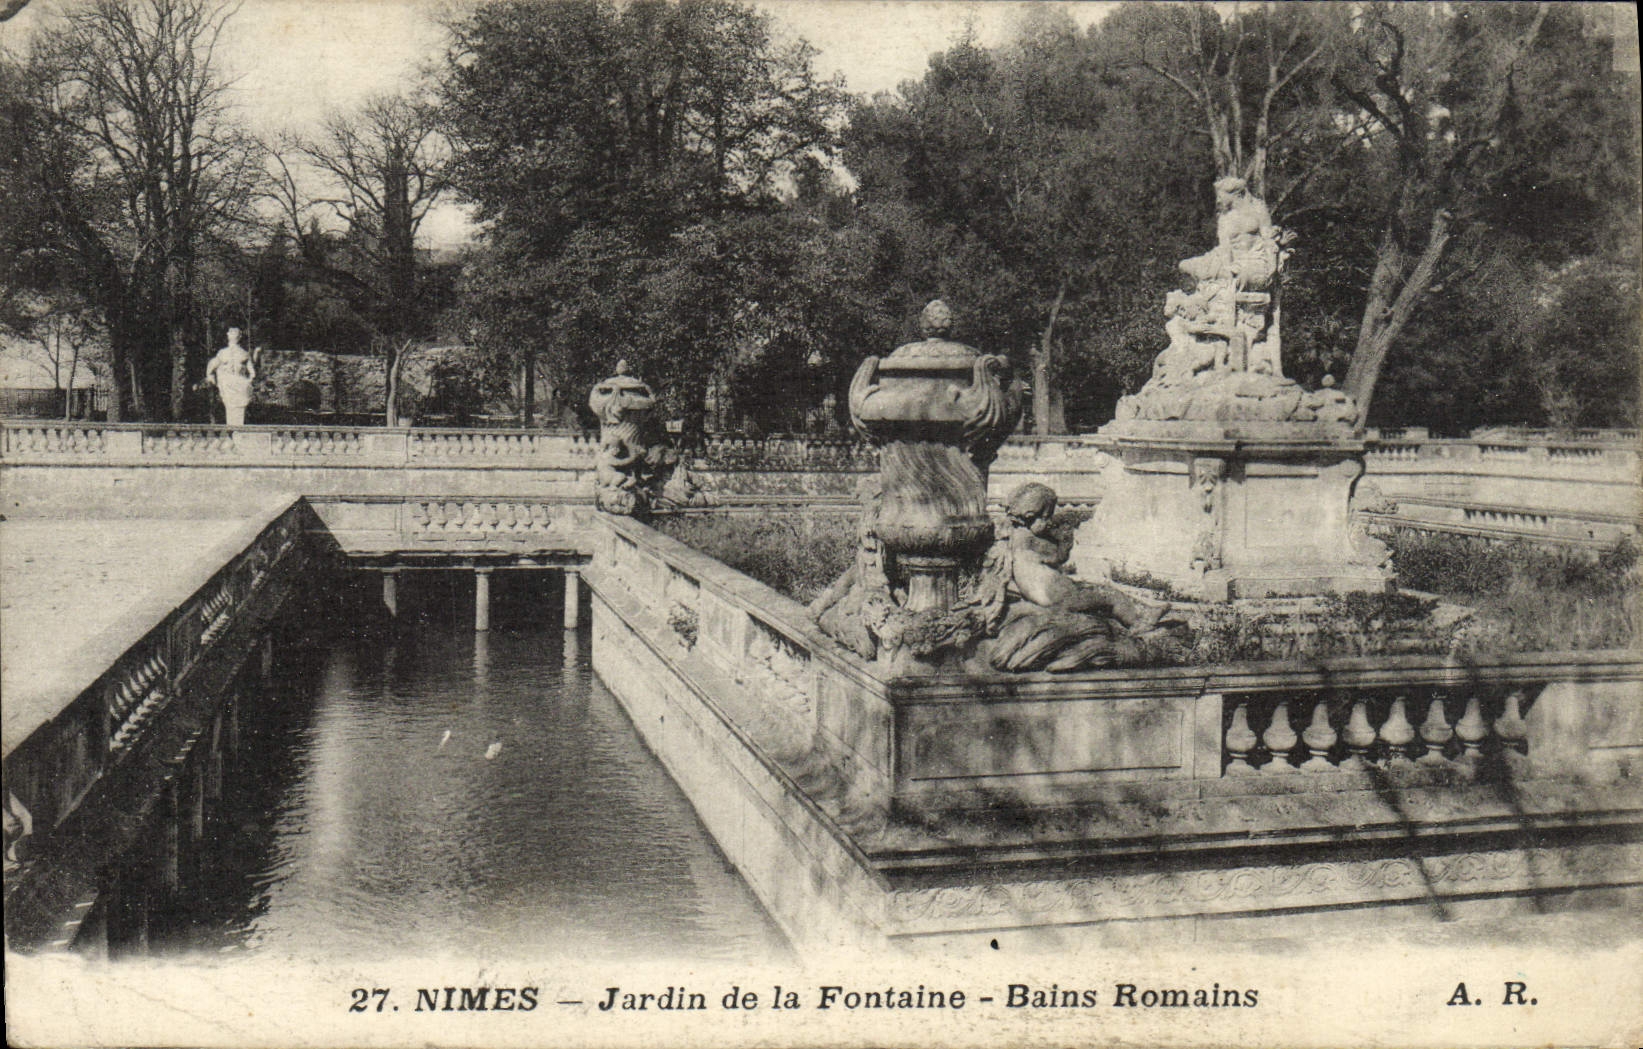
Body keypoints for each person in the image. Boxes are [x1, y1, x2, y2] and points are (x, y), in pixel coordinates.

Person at [203, 328, 257, 426]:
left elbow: (252, 372)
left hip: (240, 384)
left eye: (235, 333)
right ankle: (234, 432)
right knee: (231, 407)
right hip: (227, 384)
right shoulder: (223, 353)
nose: (233, 335)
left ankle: (236, 432)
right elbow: (212, 365)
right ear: (228, 335)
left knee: (239, 408)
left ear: (240, 337)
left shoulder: (244, 353)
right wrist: (210, 376)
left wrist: (249, 381)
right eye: (231, 333)